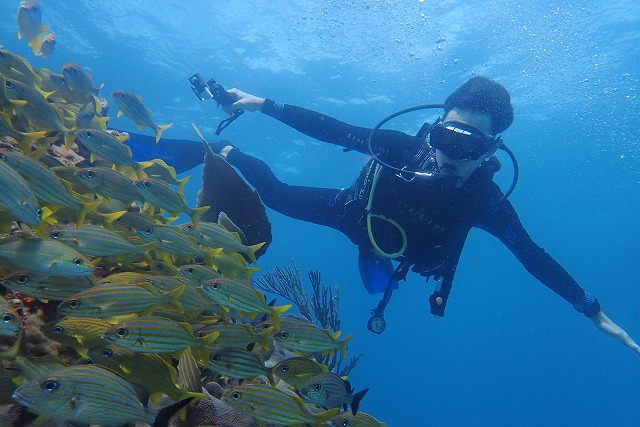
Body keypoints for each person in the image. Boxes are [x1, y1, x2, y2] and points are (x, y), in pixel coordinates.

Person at [135, 76, 639, 353]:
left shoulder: (483, 200)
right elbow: (332, 128)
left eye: (468, 146)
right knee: (278, 195)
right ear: (434, 128)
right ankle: (220, 152)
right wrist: (262, 103)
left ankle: (375, 261)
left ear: (491, 150)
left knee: (377, 277)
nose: (449, 155)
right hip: (351, 214)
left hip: (399, 254)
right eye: (444, 137)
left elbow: (532, 254)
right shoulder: (402, 148)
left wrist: (591, 310)